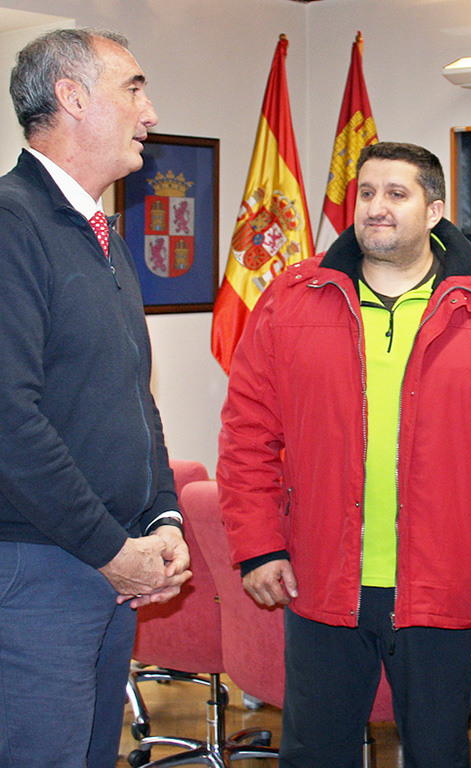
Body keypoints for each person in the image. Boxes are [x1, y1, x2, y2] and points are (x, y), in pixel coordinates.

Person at [218, 141, 471, 768]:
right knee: (315, 754)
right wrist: (259, 545)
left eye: (396, 194)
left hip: (446, 581)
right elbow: (247, 435)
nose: (377, 208)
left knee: (436, 754)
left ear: (434, 210)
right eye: (367, 193)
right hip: (321, 580)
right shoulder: (293, 298)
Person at [0, 28, 190, 768]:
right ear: (71, 98)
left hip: (101, 567)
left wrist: (163, 515)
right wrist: (112, 549)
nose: (150, 111)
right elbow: (11, 421)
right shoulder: (13, 224)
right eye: (134, 88)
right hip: (39, 570)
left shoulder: (99, 233)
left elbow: (132, 400)